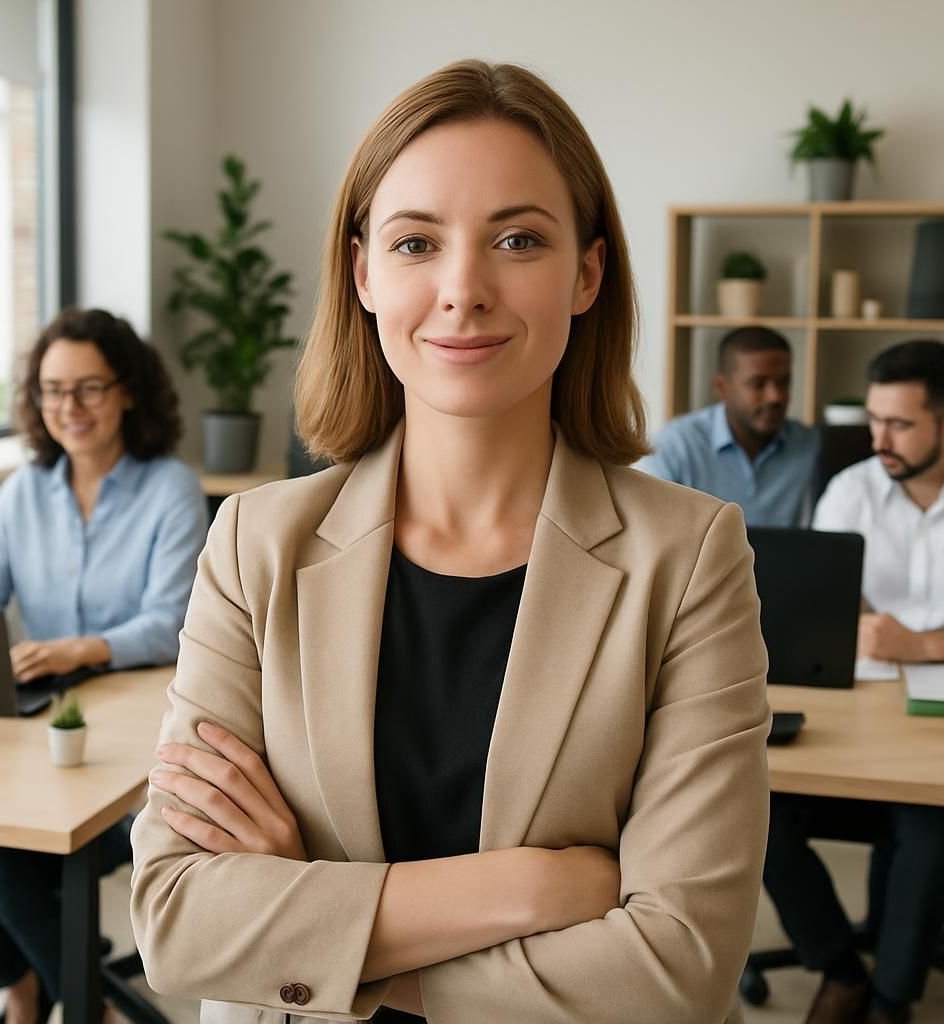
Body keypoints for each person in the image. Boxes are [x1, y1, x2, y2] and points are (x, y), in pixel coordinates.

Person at [130, 60, 770, 1024]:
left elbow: (678, 969)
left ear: (588, 272)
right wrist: (533, 893)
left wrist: (308, 921)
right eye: (416, 242)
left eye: (518, 238)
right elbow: (178, 921)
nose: (463, 289)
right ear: (363, 273)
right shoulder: (256, 543)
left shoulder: (688, 558)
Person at [0, 307, 208, 1024]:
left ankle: (81, 1004)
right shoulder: (24, 491)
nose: (69, 408)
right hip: (36, 726)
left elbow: (172, 623)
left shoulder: (169, 489)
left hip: (125, 741)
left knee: (9, 873)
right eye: (52, 391)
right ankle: (30, 983)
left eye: (89, 388)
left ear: (128, 390)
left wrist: (80, 648)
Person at [763, 340, 944, 1024]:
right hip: (853, 701)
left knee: (933, 826)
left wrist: (926, 642)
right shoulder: (850, 489)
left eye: (900, 424)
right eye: (874, 419)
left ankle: (892, 1001)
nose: (878, 439)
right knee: (750, 806)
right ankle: (838, 967)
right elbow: (823, 603)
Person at [640, 326, 820, 526]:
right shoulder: (675, 446)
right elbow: (651, 529)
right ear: (723, 388)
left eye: (783, 382)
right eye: (758, 384)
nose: (775, 396)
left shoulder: (812, 445)